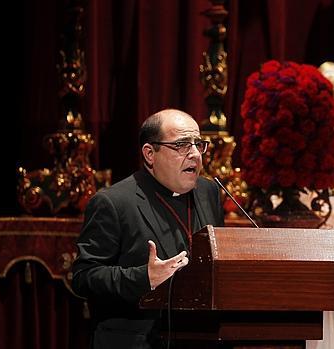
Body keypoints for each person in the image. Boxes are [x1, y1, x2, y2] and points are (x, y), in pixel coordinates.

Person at [72, 109, 225, 349]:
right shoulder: (113, 202)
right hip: (138, 340)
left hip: (200, 338)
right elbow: (84, 277)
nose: (195, 154)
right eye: (182, 145)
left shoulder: (209, 192)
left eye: (198, 144)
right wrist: (145, 278)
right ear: (150, 154)